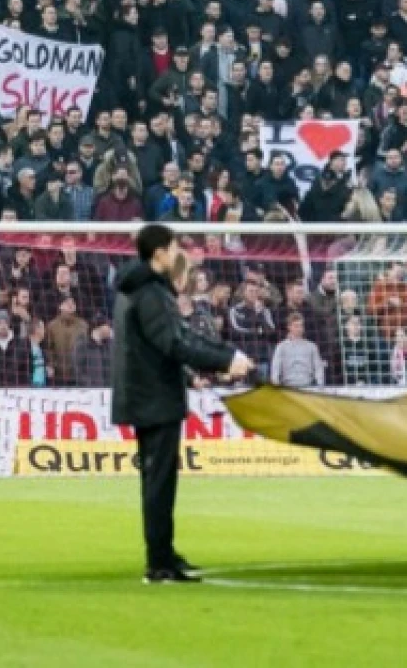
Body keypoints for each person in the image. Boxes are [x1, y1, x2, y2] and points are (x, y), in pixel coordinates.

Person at [111, 223, 253, 584]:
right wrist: (225, 361)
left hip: (148, 395)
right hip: (154, 399)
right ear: (159, 253)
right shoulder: (149, 293)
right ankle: (159, 563)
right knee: (159, 482)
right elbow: (174, 343)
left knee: (159, 479)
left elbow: (169, 342)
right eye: (174, 249)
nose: (178, 256)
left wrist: (212, 363)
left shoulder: (140, 290)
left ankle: (164, 552)